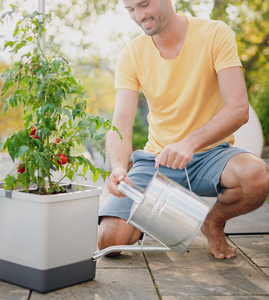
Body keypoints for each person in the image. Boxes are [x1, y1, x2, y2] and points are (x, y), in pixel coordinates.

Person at [98, 0, 269, 260]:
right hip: (157, 160)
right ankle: (165, 212)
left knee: (257, 176)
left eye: (144, 4)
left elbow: (238, 108)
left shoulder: (214, 33)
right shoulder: (131, 54)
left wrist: (189, 143)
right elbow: (120, 123)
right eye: (131, 9)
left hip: (212, 155)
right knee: (109, 242)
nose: (139, 16)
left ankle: (212, 222)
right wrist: (119, 167)